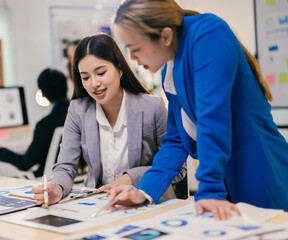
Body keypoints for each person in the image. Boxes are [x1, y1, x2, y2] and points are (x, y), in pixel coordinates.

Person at [108, 0, 288, 220]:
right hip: (223, 174)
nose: (132, 59)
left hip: (257, 169)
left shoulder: (208, 33)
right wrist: (144, 190)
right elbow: (175, 140)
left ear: (165, 36)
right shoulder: (169, 70)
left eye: (135, 49)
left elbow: (213, 117)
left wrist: (210, 188)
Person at [32, 33, 187, 206]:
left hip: (146, 203)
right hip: (99, 204)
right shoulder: (78, 110)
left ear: (119, 69)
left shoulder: (152, 107)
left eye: (101, 73)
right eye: (85, 77)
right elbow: (65, 166)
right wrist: (57, 187)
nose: (94, 84)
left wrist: (130, 178)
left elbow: (178, 169)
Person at [0, 68, 69, 178]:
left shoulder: (45, 125)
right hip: (74, 176)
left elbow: (25, 164)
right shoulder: (78, 115)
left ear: (43, 94)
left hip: (50, 179)